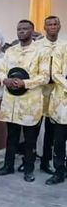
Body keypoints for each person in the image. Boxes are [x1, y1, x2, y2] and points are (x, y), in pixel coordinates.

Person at [0, 20, 50, 182]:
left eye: (25, 29)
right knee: (11, 136)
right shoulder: (10, 51)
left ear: (32, 32)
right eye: (19, 29)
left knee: (29, 139)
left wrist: (25, 83)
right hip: (11, 101)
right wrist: (4, 80)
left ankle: (28, 169)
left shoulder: (41, 52)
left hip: (30, 101)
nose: (21, 31)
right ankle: (8, 166)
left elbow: (45, 76)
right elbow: (2, 70)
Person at [35, 16, 62, 174]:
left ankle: (46, 161)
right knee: (34, 129)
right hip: (39, 91)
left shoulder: (64, 46)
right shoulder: (37, 46)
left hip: (57, 92)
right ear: (44, 28)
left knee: (52, 130)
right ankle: (28, 161)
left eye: (55, 24)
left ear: (59, 26)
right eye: (49, 24)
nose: (52, 27)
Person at [45, 42, 67, 185]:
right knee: (59, 141)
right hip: (62, 102)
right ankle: (59, 171)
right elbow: (55, 73)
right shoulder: (62, 49)